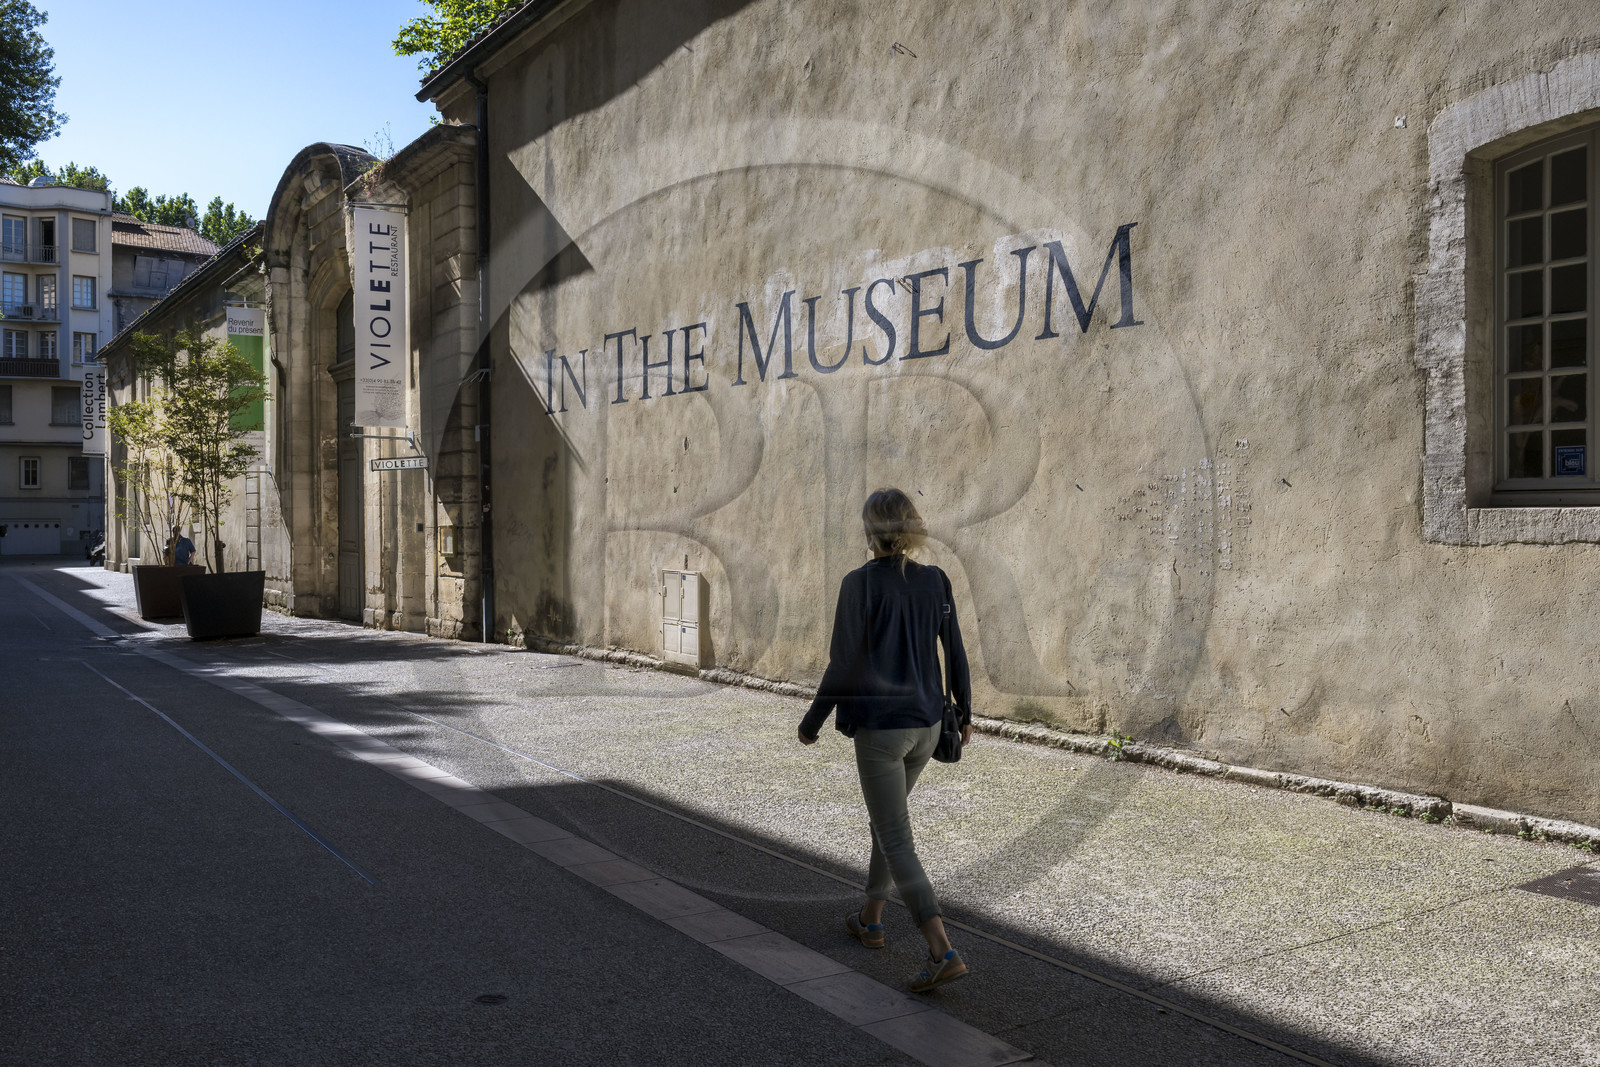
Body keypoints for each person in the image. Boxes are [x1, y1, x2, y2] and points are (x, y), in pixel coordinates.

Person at [797, 487, 974, 992]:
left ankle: (941, 948)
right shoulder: (936, 580)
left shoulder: (858, 585)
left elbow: (842, 664)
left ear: (869, 533)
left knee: (896, 836)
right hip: (927, 725)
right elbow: (955, 650)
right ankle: (870, 919)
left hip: (881, 729)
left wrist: (812, 723)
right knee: (888, 821)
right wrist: (965, 710)